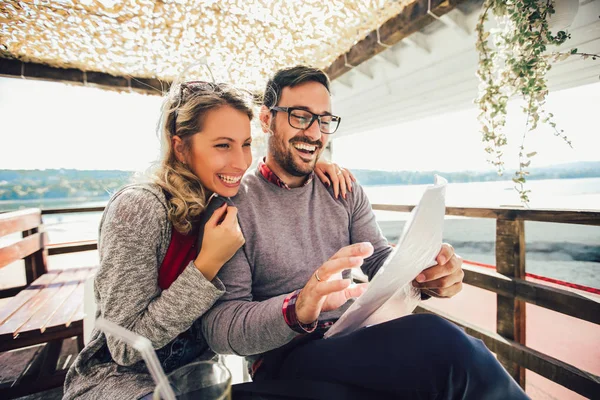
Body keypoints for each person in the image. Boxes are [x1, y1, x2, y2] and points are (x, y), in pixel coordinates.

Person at [201, 66, 530, 399]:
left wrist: (424, 270)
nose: (315, 134)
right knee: (443, 343)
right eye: (300, 116)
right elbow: (224, 327)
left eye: (324, 120)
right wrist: (299, 306)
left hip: (355, 340)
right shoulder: (232, 206)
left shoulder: (342, 190)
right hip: (287, 358)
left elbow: (379, 259)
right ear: (267, 119)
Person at [62, 79, 353, 400]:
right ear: (181, 147)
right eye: (222, 145)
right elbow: (125, 348)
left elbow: (272, 175)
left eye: (245, 144)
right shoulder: (140, 207)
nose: (240, 161)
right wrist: (206, 266)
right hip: (120, 382)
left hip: (198, 379)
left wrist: (311, 168)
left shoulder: (225, 202)